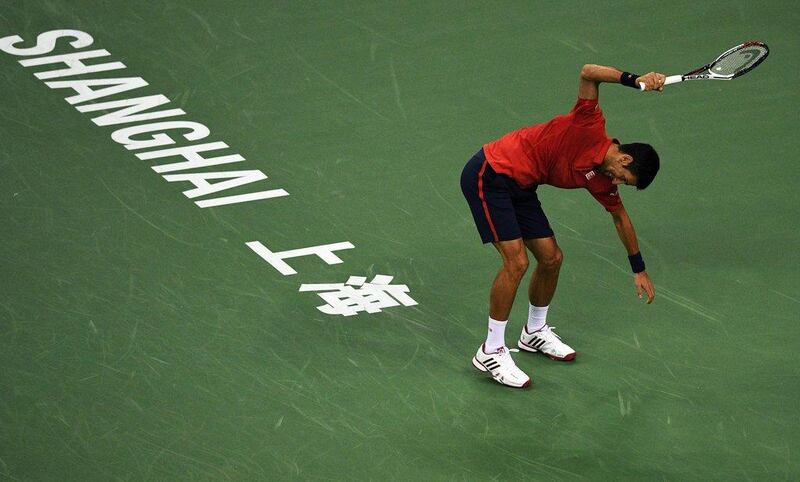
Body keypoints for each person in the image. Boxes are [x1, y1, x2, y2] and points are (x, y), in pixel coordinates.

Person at [461, 65, 665, 388]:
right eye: (622, 178)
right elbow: (588, 73)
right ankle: (491, 349)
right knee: (516, 262)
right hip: (492, 172)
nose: (616, 183)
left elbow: (620, 217)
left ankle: (534, 332)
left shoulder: (602, 181)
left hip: (523, 186)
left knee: (552, 258)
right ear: (624, 160)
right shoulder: (590, 122)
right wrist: (634, 80)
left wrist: (638, 268)